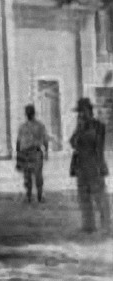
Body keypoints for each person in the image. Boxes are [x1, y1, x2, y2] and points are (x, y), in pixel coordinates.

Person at [69, 97, 111, 234]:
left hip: (94, 166)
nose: (80, 114)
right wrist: (79, 129)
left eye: (82, 111)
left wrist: (101, 167)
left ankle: (106, 225)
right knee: (84, 198)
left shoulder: (99, 126)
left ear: (89, 111)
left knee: (100, 198)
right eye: (79, 112)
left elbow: (98, 146)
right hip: (81, 167)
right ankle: (88, 226)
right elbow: (73, 143)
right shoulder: (80, 127)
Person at [15, 104, 49, 203]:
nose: (29, 114)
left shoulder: (40, 125)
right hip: (25, 153)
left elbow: (45, 139)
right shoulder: (22, 127)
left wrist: (46, 151)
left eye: (30, 112)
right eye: (27, 112)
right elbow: (18, 141)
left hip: (36, 151)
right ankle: (28, 195)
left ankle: (39, 195)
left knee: (38, 175)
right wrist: (18, 155)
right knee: (27, 176)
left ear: (33, 113)